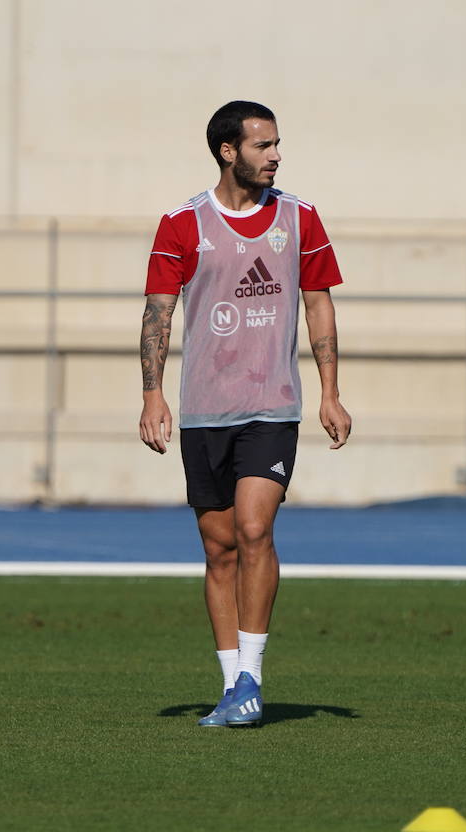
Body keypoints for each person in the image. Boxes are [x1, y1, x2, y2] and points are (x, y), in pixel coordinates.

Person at [139, 100, 351, 727]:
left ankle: (253, 675)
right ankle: (234, 687)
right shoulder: (182, 224)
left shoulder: (300, 218)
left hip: (271, 404)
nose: (276, 155)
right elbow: (158, 314)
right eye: (263, 145)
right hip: (206, 409)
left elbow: (319, 307)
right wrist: (153, 394)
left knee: (256, 529)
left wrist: (329, 392)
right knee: (219, 547)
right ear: (229, 151)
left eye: (278, 144)